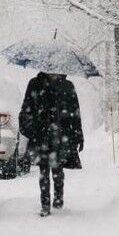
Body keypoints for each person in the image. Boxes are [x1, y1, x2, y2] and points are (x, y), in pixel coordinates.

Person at [19, 72, 84, 217]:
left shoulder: (67, 86)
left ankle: (58, 199)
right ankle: (45, 204)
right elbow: (26, 108)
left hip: (60, 134)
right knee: (44, 170)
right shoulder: (35, 83)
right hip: (41, 133)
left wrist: (79, 135)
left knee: (57, 168)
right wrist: (29, 128)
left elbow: (75, 112)